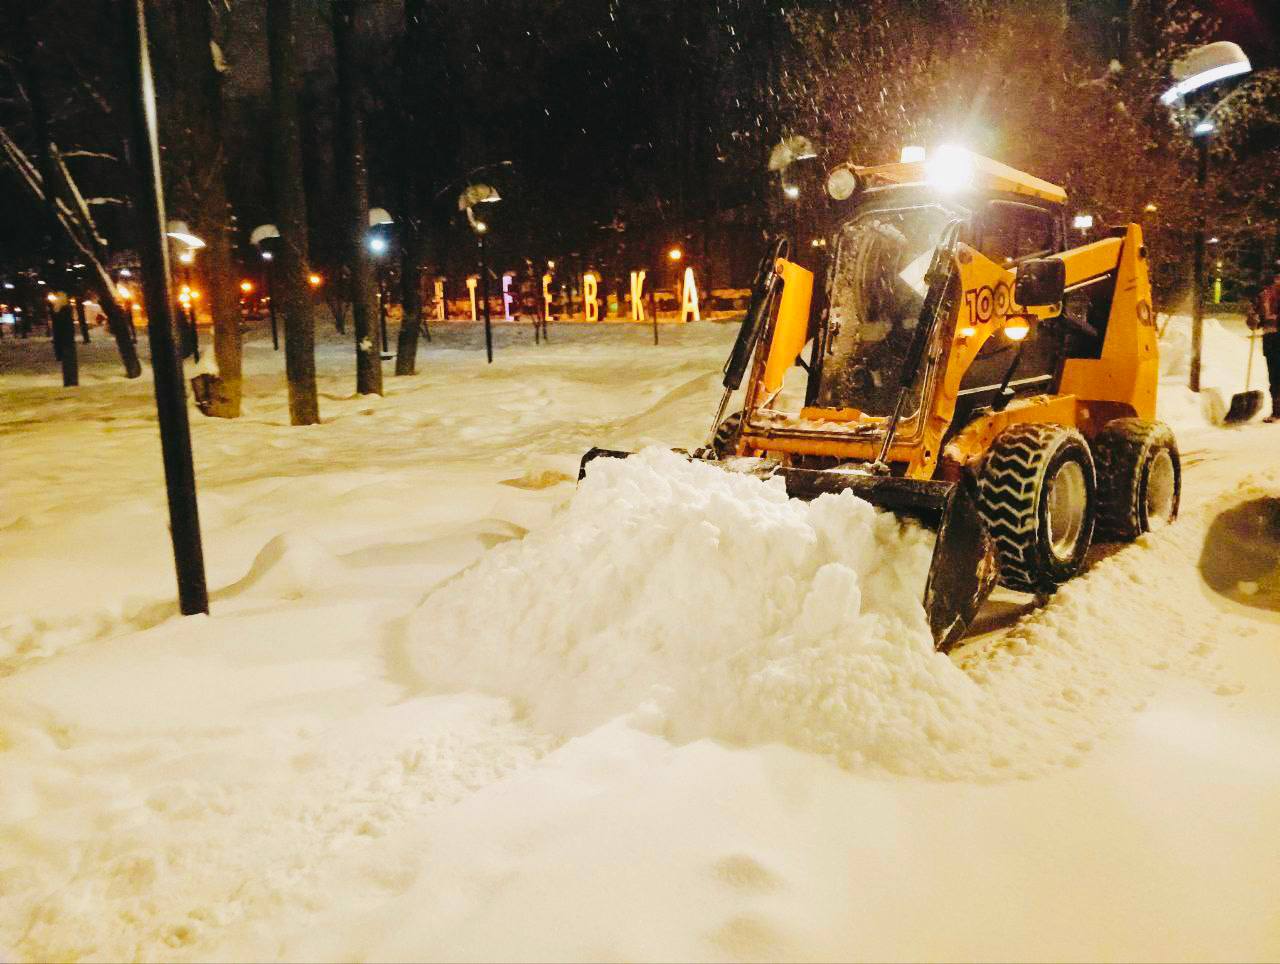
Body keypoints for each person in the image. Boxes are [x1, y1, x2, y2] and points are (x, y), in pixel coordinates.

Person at [1249, 270, 1280, 423]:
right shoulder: (1263, 296)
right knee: (1274, 376)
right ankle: (1277, 411)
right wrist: (1253, 319)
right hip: (1270, 340)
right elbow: (1256, 318)